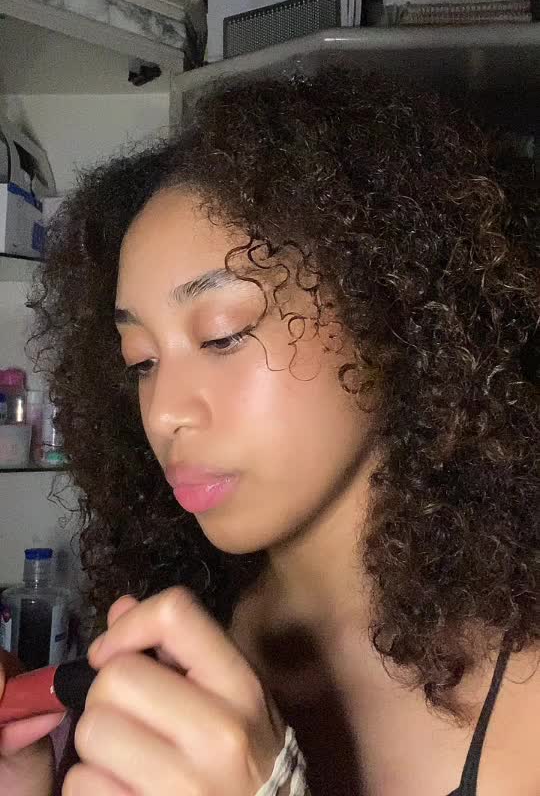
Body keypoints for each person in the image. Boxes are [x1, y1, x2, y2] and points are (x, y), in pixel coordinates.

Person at [0, 68, 538, 796]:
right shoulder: (171, 634)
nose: (164, 412)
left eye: (222, 335)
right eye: (142, 360)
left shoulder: (526, 680)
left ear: (390, 316)